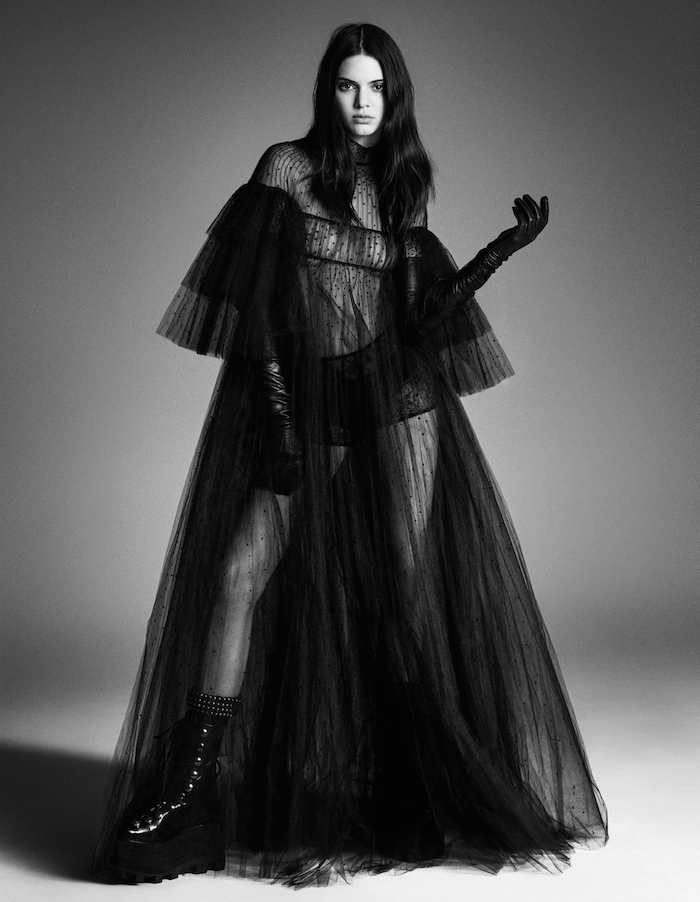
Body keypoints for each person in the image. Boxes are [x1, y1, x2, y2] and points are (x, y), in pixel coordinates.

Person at [93, 22, 608, 887]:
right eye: (347, 84)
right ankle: (190, 787)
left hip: (398, 394)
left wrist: (499, 252)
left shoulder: (402, 186)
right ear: (325, 91)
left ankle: (411, 782)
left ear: (394, 97)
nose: (363, 103)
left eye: (377, 88)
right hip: (307, 396)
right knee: (239, 573)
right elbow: (257, 309)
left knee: (403, 583)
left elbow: (419, 317)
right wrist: (282, 424)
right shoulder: (286, 170)